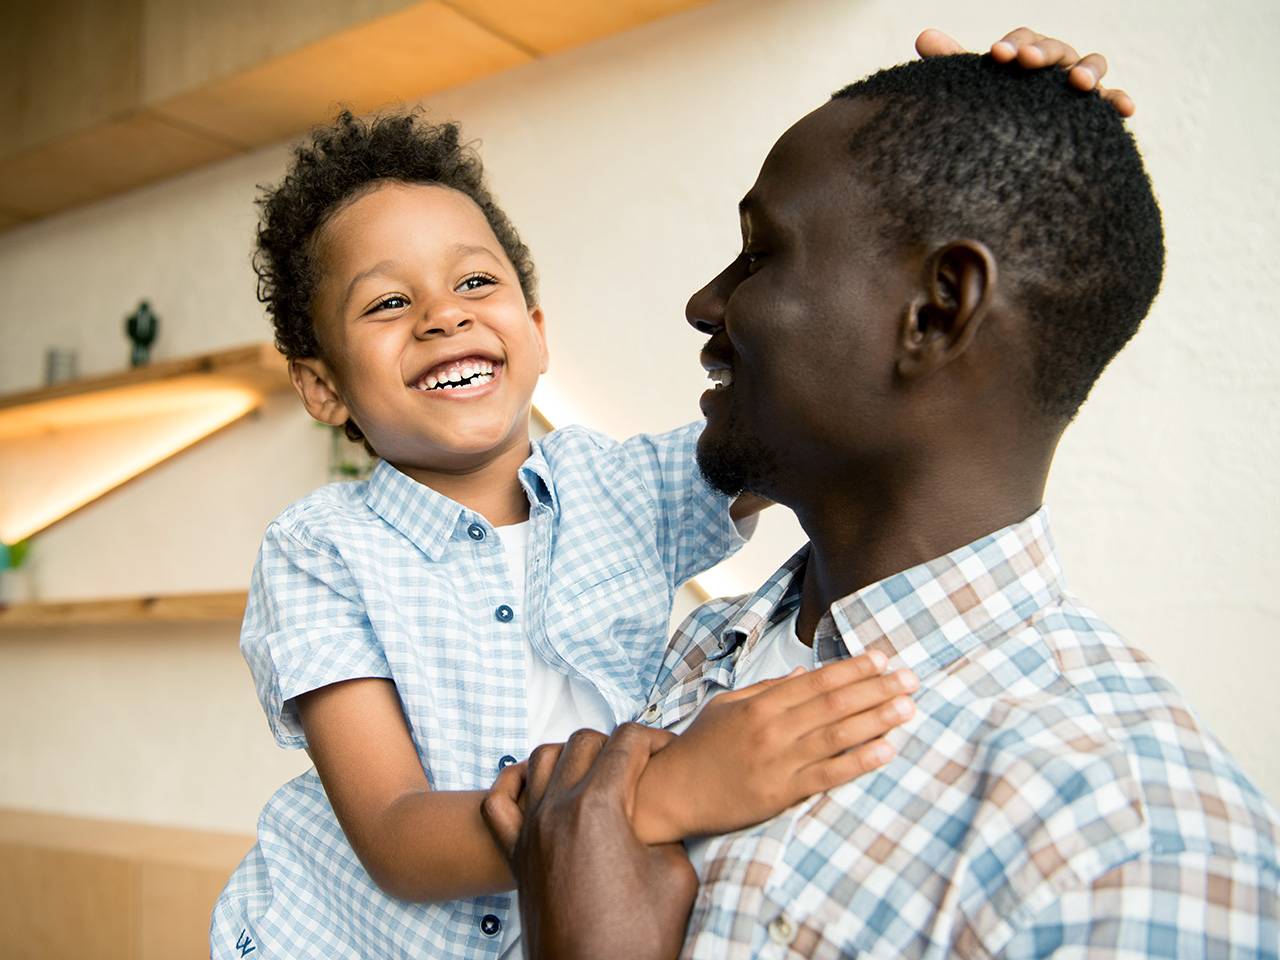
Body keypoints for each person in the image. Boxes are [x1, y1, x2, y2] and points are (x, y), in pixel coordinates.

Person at [483, 37, 1280, 960]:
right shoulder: (711, 643)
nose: (705, 303)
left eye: (759, 252)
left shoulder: (1128, 852)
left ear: (938, 310)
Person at [209, 102, 921, 959]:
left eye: (476, 283)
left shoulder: (626, 486)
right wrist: (666, 793)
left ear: (538, 336)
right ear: (323, 388)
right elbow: (395, 837)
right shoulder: (318, 551)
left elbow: (801, 427)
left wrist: (983, 130)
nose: (444, 315)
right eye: (389, 302)